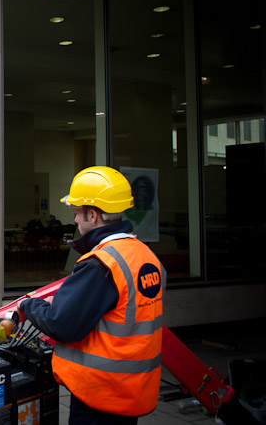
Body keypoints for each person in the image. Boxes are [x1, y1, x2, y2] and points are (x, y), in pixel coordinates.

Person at [19, 166, 164, 424]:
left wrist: (31, 305)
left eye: (77, 213)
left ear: (93, 215)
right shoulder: (144, 255)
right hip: (130, 389)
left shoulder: (102, 264)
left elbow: (61, 323)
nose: (75, 221)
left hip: (101, 394)